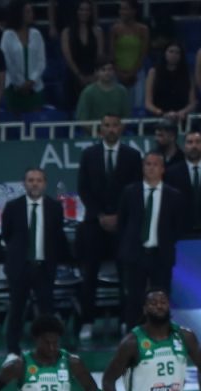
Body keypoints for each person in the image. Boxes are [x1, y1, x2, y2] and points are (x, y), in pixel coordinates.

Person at [76, 114, 143, 340]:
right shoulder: (89, 155)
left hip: (122, 226)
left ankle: (126, 320)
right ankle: (87, 320)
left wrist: (118, 217)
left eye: (115, 125)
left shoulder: (132, 155)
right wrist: (100, 215)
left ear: (121, 128)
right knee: (90, 275)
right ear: (100, 129)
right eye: (107, 125)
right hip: (94, 223)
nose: (111, 129)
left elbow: (136, 189)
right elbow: (83, 189)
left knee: (126, 276)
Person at [1, 167, 69, 359]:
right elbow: (7, 235)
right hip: (19, 267)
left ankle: (49, 348)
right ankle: (12, 350)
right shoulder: (13, 207)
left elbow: (57, 236)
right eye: (31, 180)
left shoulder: (55, 207)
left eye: (38, 180)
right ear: (24, 183)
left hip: (44, 267)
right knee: (17, 309)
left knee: (47, 311)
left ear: (45, 184)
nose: (35, 184)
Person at [118, 152, 184, 325]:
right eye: (148, 164)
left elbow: (178, 227)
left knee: (161, 298)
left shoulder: (174, 195)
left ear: (162, 169)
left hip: (161, 255)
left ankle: (162, 332)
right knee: (134, 298)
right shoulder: (130, 192)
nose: (151, 168)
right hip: (136, 254)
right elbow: (122, 223)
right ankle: (133, 333)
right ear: (143, 167)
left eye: (155, 164)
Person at [0, 1, 47, 116]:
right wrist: (20, 84)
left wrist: (31, 81)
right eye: (27, 12)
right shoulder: (7, 35)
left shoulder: (36, 34)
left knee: (35, 121)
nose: (31, 14)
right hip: (14, 88)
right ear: (18, 13)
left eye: (31, 11)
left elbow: (41, 61)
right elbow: (7, 62)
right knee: (15, 123)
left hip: (35, 87)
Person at [61, 1, 103, 112]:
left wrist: (94, 76)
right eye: (81, 9)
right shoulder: (67, 32)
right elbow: (68, 57)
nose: (84, 12)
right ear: (76, 11)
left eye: (87, 10)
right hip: (73, 75)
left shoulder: (97, 31)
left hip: (93, 76)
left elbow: (100, 57)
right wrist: (79, 76)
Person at [146, 42, 196, 124]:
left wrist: (182, 112)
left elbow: (192, 103)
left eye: (177, 52)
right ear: (164, 53)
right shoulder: (153, 73)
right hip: (159, 117)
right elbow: (148, 103)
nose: (174, 55)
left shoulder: (188, 74)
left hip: (181, 117)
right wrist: (161, 113)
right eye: (171, 51)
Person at [165, 130, 201, 238]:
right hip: (182, 232)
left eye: (198, 142)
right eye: (190, 142)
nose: (194, 146)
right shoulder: (171, 172)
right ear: (184, 146)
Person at [110, 0, 149, 95]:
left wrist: (133, 72)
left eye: (125, 9)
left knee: (138, 101)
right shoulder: (115, 29)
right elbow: (112, 53)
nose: (122, 12)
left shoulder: (143, 29)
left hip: (137, 73)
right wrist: (119, 72)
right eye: (121, 9)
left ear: (134, 11)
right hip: (117, 73)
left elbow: (143, 54)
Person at [75, 58, 130, 123]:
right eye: (103, 70)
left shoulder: (122, 91)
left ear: (114, 71)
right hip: (93, 129)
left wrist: (115, 129)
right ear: (96, 72)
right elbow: (82, 119)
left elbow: (126, 117)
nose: (107, 73)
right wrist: (96, 130)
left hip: (118, 129)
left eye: (110, 69)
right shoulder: (88, 92)